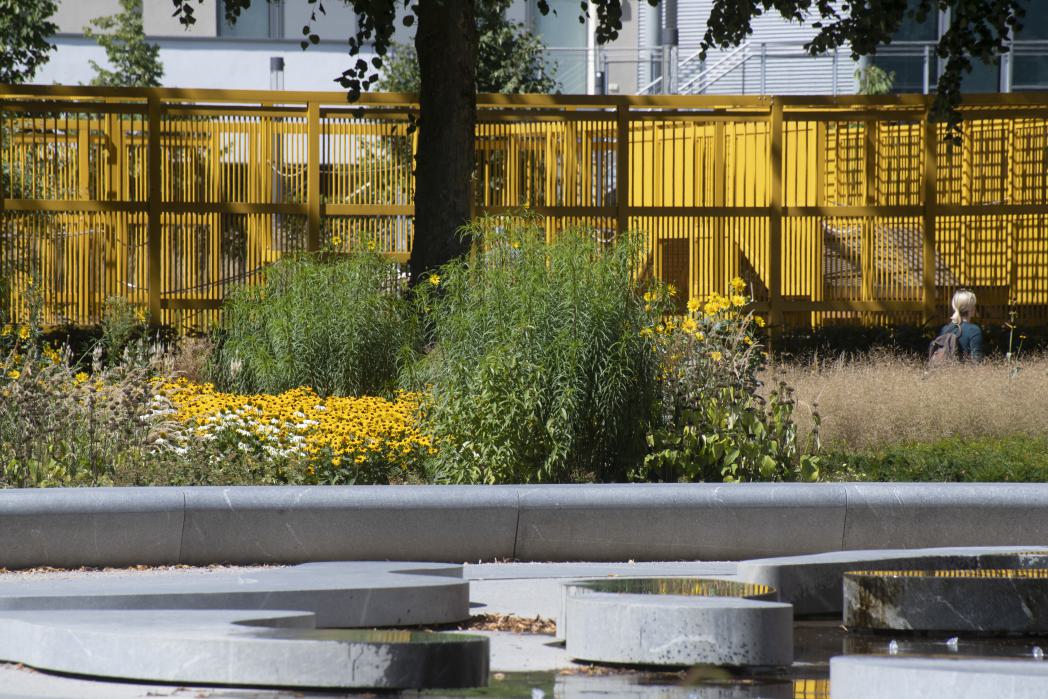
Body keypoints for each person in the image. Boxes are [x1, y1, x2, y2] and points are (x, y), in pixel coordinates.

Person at [940, 289, 985, 363]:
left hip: (943, 370)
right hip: (966, 370)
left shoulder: (945, 329)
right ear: (971, 308)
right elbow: (977, 360)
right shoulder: (974, 330)